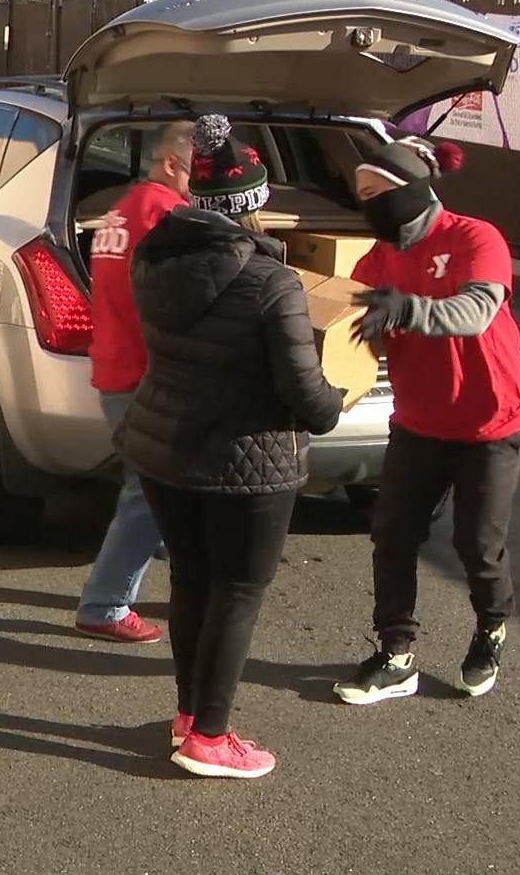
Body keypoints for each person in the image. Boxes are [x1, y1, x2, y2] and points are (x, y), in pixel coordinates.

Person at [117, 118, 344, 779]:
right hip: (248, 462)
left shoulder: (154, 256)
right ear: (254, 203)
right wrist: (336, 402)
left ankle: (190, 714)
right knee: (238, 592)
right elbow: (305, 393)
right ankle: (210, 738)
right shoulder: (273, 283)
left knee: (191, 579)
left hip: (164, 445)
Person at [333, 137, 520, 706]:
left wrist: (407, 309)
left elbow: (477, 312)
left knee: (478, 544)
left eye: (377, 192)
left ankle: (491, 627)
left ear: (412, 188)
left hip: (490, 419)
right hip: (419, 420)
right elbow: (356, 332)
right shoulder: (375, 261)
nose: (369, 205)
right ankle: (396, 654)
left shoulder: (474, 237)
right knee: (392, 534)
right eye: (361, 195)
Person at [72, 121, 206, 645]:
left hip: (118, 367)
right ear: (172, 164)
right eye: (200, 171)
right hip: (146, 374)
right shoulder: (167, 215)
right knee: (148, 494)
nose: (206, 183)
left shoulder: (126, 208)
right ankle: (104, 604)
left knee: (155, 487)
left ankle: (171, 556)